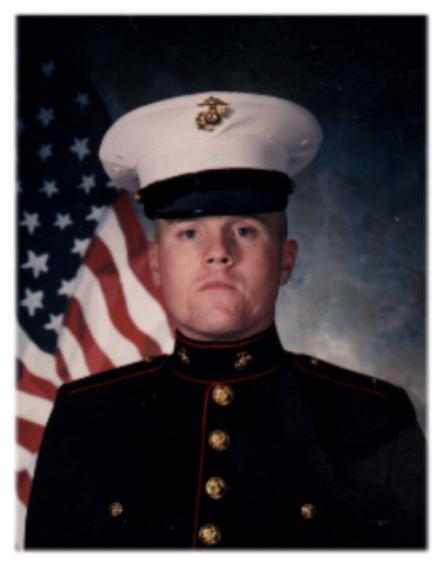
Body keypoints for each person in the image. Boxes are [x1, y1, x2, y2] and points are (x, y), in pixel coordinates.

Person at [25, 92, 425, 549]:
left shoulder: (372, 417)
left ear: (286, 259)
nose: (217, 252)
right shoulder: (87, 419)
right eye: (189, 233)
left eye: (244, 230)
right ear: (155, 264)